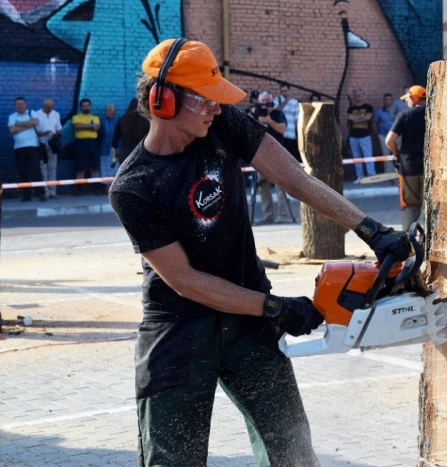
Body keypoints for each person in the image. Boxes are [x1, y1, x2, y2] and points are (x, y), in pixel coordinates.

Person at [108, 38, 410, 467]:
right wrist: (275, 308)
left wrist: (368, 228)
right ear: (165, 99)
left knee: (292, 453)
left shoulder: (222, 125)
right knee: (173, 460)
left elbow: (293, 178)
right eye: (207, 99)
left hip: (247, 319)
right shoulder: (134, 186)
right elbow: (186, 280)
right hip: (179, 329)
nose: (217, 107)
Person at [249, 91, 294, 224]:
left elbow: (282, 129)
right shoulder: (254, 113)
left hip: (278, 154)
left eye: (268, 101)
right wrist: (253, 115)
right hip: (260, 155)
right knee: (263, 186)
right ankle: (268, 214)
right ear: (258, 102)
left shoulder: (278, 114)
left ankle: (284, 214)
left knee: (281, 186)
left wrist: (269, 121)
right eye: (263, 101)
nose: (265, 104)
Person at [385, 85, 426, 231]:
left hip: (409, 166)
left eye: (408, 98)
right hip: (430, 167)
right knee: (431, 205)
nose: (407, 101)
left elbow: (389, 141)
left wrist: (397, 154)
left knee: (410, 204)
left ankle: (409, 240)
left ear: (414, 98)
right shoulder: (434, 115)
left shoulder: (404, 115)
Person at [8, 97, 46, 201]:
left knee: (36, 171)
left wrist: (19, 124)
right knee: (22, 171)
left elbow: (35, 123)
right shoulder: (12, 116)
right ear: (15, 106)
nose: (20, 106)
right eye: (18, 104)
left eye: (22, 104)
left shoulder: (31, 112)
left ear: (26, 104)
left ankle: (40, 193)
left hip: (33, 146)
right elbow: (12, 130)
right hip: (19, 148)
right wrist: (27, 124)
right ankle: (26, 195)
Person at [71, 98, 101, 195]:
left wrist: (84, 126)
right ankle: (79, 190)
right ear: (81, 107)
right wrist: (90, 126)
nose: (86, 107)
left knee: (94, 168)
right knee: (80, 168)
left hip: (93, 143)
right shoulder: (76, 117)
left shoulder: (95, 117)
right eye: (84, 106)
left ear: (90, 106)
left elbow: (96, 127)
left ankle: (96, 189)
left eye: (87, 105)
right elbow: (76, 126)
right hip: (80, 143)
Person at [34, 97, 62, 198]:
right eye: (47, 107)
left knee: (52, 168)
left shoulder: (56, 114)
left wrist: (56, 134)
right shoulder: (36, 114)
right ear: (43, 106)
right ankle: (44, 191)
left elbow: (59, 129)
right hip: (41, 145)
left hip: (52, 144)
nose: (49, 109)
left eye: (51, 107)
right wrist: (43, 133)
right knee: (43, 168)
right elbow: (34, 131)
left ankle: (52, 191)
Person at [111, 98, 150, 167]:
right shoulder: (147, 122)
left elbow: (114, 142)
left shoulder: (122, 121)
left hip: (125, 154)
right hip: (141, 155)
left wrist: (115, 155)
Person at [347, 88, 375, 183]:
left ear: (363, 95)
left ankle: (371, 176)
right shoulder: (351, 108)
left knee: (368, 156)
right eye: (356, 95)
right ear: (354, 96)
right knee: (356, 157)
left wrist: (357, 118)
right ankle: (360, 177)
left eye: (360, 94)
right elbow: (350, 118)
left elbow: (368, 117)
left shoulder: (368, 107)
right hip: (353, 136)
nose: (358, 96)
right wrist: (362, 117)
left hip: (365, 135)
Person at [274, 82, 302, 162]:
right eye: (282, 91)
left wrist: (298, 134)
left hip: (291, 136)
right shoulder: (277, 100)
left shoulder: (295, 102)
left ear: (289, 91)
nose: (284, 93)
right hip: (281, 135)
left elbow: (297, 119)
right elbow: (275, 112)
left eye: (286, 91)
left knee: (292, 159)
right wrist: (286, 101)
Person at [99, 104, 118, 179]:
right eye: (106, 110)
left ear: (114, 111)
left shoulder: (118, 121)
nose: (107, 112)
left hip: (116, 150)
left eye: (109, 110)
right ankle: (107, 189)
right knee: (105, 171)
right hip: (105, 149)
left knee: (116, 169)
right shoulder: (102, 122)